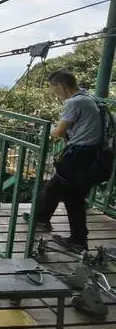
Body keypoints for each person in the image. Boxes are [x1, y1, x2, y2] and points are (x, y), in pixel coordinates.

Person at [24, 69, 103, 252]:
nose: (55, 94)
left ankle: (74, 237)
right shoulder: (87, 98)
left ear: (61, 85)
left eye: (54, 89)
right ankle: (51, 224)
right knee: (66, 193)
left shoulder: (74, 102)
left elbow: (58, 132)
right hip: (90, 154)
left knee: (61, 190)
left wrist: (48, 131)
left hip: (78, 154)